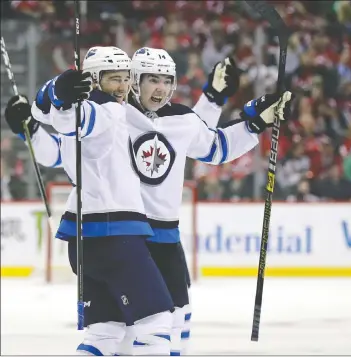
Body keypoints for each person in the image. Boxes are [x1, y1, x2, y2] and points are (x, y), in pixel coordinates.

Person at [5, 46, 294, 356]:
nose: (161, 88)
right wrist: (38, 120)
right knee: (148, 331)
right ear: (136, 81)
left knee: (152, 331)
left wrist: (253, 123)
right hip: (123, 235)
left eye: (167, 80)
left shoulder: (175, 117)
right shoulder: (113, 112)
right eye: (152, 80)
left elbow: (212, 145)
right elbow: (62, 138)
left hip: (155, 238)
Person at [18, 46, 175, 355]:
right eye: (113, 78)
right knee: (156, 324)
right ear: (92, 80)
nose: (122, 86)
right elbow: (69, 118)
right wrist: (61, 94)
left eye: (126, 78)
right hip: (114, 236)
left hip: (86, 242)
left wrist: (54, 92)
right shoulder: (103, 110)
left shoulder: (100, 109)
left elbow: (48, 116)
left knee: (103, 335)